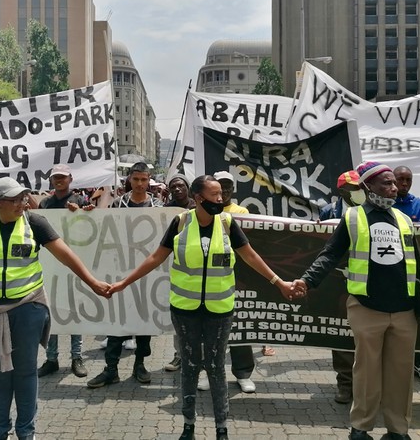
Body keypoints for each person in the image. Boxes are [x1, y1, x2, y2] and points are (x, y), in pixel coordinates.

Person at [109, 174, 295, 440]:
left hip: (220, 311)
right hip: (185, 311)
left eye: (221, 195)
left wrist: (279, 282)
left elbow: (250, 255)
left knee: (216, 367)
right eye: (214, 195)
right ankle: (188, 426)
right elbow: (155, 257)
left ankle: (222, 428)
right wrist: (123, 283)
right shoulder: (181, 223)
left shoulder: (228, 223)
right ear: (198, 198)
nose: (220, 199)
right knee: (190, 366)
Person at [0, 177, 109, 440]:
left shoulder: (35, 223)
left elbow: (66, 256)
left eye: (23, 197)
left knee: (25, 372)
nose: (22, 202)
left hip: (28, 309)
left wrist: (93, 283)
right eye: (15, 198)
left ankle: (25, 432)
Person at [291, 161, 420, 440]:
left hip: (404, 310)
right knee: (367, 371)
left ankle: (398, 430)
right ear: (367, 187)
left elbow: (418, 262)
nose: (393, 188)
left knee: (401, 374)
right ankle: (361, 427)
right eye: (385, 183)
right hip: (367, 308)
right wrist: (307, 280)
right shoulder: (353, 218)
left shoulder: (404, 220)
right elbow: (329, 253)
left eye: (394, 183)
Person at [88, 162, 162, 389]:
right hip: (120, 271)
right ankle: (111, 369)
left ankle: (140, 365)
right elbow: (107, 231)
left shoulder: (158, 205)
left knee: (143, 323)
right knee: (117, 321)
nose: (140, 184)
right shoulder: (118, 204)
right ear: (129, 179)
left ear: (149, 180)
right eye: (136, 179)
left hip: (147, 274)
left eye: (144, 179)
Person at [36, 164, 92, 379]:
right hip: (50, 263)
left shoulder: (80, 200)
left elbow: (90, 223)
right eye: (55, 177)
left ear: (70, 179)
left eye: (62, 177)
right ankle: (51, 359)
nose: (59, 180)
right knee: (51, 311)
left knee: (74, 309)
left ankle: (77, 357)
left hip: (74, 260)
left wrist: (84, 212)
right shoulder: (45, 203)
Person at [212, 170, 263, 392]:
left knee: (239, 326)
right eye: (219, 186)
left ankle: (243, 374)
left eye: (228, 186)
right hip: (212, 278)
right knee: (212, 330)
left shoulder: (241, 212)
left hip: (236, 276)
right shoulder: (204, 211)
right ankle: (209, 372)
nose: (224, 191)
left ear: (233, 189)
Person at [318, 169, 365, 405]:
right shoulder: (328, 212)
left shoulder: (370, 212)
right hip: (338, 283)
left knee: (366, 336)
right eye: (353, 189)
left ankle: (366, 386)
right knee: (340, 333)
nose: (358, 192)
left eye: (360, 188)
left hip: (366, 283)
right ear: (342, 191)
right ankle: (345, 384)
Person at [392, 165, 420, 384]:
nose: (404, 183)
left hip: (416, 273)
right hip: (392, 274)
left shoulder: (419, 205)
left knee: (419, 318)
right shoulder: (385, 205)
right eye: (400, 179)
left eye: (408, 179)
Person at [162, 173, 195, 373]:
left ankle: (194, 356)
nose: (177, 189)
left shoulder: (198, 207)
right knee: (179, 316)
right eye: (173, 186)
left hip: (196, 269)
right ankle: (179, 355)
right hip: (173, 269)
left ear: (188, 187)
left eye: (180, 185)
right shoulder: (165, 211)